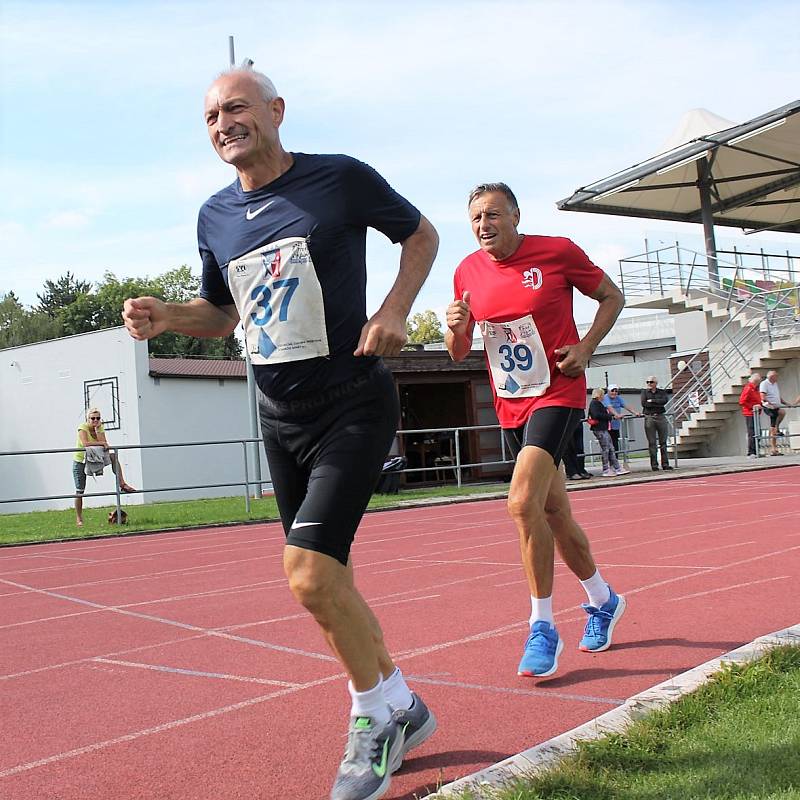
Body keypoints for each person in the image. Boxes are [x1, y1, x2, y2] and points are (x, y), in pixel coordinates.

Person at [122, 66, 439, 800]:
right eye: (209, 117)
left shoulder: (339, 179)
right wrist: (169, 316)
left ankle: (374, 718)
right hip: (278, 416)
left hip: (352, 402)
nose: (222, 123)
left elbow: (419, 235)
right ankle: (402, 706)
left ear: (275, 110)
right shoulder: (214, 217)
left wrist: (392, 311)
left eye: (235, 107)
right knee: (326, 583)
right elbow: (222, 315)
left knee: (308, 574)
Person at [445, 182, 627, 679]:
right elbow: (459, 351)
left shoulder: (557, 252)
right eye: (477, 217)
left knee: (522, 503)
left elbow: (612, 296)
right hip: (512, 403)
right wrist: (455, 326)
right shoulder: (466, 271)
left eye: (494, 215)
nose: (485, 225)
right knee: (553, 512)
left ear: (516, 215)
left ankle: (542, 626)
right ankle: (603, 599)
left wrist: (587, 346)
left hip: (558, 392)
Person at [73, 407, 135, 527]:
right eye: (93, 418)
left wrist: (97, 431)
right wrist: (102, 443)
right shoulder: (82, 428)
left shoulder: (99, 427)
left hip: (97, 456)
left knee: (113, 456)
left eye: (98, 418)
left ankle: (122, 483)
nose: (95, 420)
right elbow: (86, 443)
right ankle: (79, 518)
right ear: (88, 419)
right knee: (80, 491)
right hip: (81, 460)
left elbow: (104, 443)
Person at [588, 388, 629, 477]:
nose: (604, 396)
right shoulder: (595, 403)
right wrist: (609, 416)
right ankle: (606, 469)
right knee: (606, 449)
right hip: (599, 429)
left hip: (603, 428)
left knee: (611, 448)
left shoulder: (598, 403)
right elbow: (596, 415)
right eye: (602, 394)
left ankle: (617, 467)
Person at [640, 375, 673, 471]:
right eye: (647, 382)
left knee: (663, 442)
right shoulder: (644, 392)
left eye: (651, 382)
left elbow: (664, 401)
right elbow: (644, 403)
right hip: (649, 417)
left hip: (660, 416)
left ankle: (665, 464)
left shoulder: (661, 392)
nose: (649, 384)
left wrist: (652, 401)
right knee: (652, 442)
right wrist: (656, 403)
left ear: (655, 383)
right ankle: (654, 465)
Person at [759, 370, 792, 456]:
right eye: (776, 376)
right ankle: (773, 449)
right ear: (771, 377)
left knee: (782, 412)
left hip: (776, 406)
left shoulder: (775, 384)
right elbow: (763, 396)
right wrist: (770, 404)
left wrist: (785, 403)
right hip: (769, 407)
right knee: (772, 427)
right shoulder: (764, 384)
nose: (777, 378)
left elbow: (777, 396)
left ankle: (777, 427)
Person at [603, 384, 640, 457]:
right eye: (612, 391)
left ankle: (615, 461)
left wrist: (635, 412)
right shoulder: (605, 398)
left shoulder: (618, 398)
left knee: (615, 442)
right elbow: (609, 407)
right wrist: (617, 414)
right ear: (608, 391)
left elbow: (626, 406)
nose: (614, 393)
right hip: (607, 425)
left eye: (616, 391)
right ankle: (609, 462)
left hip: (615, 425)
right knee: (607, 443)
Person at [562, 410, 592, 480]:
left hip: (578, 423)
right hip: (567, 423)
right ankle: (571, 472)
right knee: (568, 448)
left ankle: (580, 470)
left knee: (579, 448)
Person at [738, 373, 762, 458]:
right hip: (750, 413)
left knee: (757, 431)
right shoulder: (749, 388)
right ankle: (751, 452)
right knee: (752, 432)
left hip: (755, 413)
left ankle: (756, 450)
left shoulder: (755, 389)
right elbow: (742, 401)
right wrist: (752, 407)